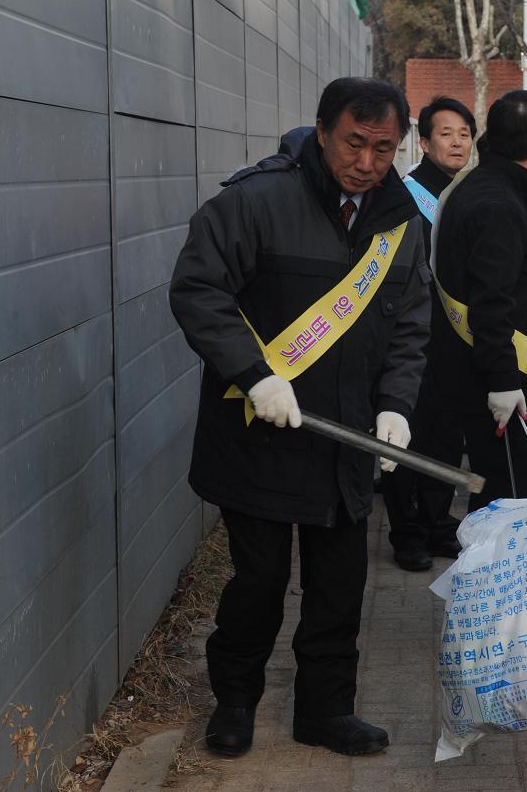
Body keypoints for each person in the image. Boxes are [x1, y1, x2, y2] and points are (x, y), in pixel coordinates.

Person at [170, 78, 429, 758]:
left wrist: (395, 407)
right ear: (321, 131)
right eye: (353, 142)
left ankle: (324, 710)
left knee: (339, 588)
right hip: (258, 432)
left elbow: (410, 325)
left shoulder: (401, 221)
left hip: (343, 442)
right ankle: (234, 702)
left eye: (383, 148)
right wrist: (253, 374)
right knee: (257, 584)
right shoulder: (257, 200)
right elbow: (199, 289)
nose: (367, 162)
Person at [429, 90, 527, 510]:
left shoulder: (477, 186)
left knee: (495, 493)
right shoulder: (500, 205)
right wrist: (503, 381)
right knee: (510, 500)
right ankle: (498, 576)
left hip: (481, 365)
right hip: (500, 379)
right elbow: (492, 301)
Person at [382, 96, 475, 571]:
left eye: (464, 134)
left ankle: (438, 520)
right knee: (408, 434)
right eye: (446, 133)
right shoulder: (404, 195)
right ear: (423, 142)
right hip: (412, 338)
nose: (457, 142)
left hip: (457, 341)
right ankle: (407, 530)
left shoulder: (471, 192)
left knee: (445, 435)